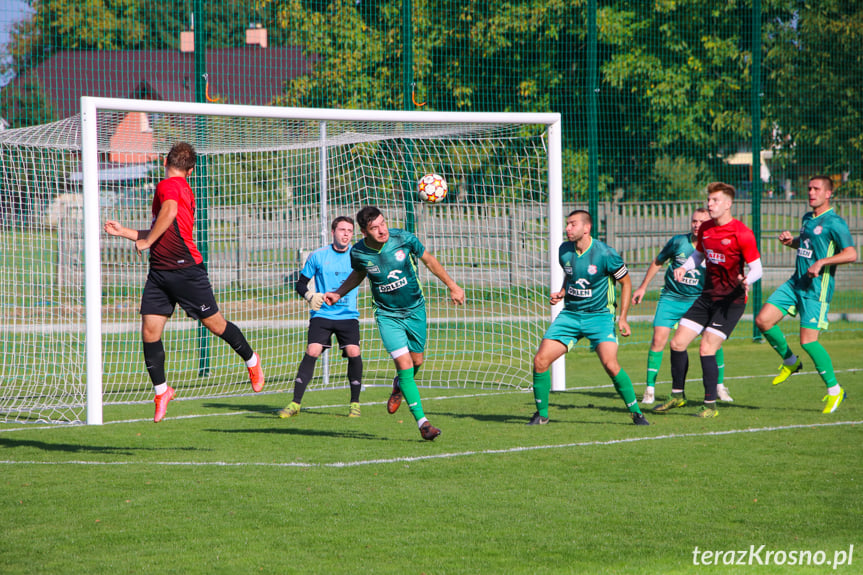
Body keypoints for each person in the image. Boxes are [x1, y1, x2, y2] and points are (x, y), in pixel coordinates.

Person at [104, 142, 263, 422]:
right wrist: (126, 233)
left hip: (186, 270)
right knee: (150, 331)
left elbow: (169, 214)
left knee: (215, 324)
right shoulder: (179, 186)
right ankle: (162, 391)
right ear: (192, 169)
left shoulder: (170, 185)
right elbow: (163, 226)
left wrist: (146, 240)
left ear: (167, 161)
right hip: (160, 272)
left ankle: (252, 360)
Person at [323, 206, 465, 441]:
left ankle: (398, 386)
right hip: (387, 315)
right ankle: (423, 423)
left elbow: (429, 260)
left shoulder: (404, 239)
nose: (382, 230)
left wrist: (453, 286)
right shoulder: (358, 252)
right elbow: (359, 274)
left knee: (417, 361)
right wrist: (338, 293)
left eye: (383, 223)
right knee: (405, 364)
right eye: (374, 227)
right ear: (364, 231)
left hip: (416, 310)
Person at [528, 209, 649, 426]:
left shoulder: (605, 253)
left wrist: (622, 318)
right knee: (540, 361)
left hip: (600, 317)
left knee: (610, 365)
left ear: (587, 228)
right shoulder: (564, 250)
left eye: (572, 224)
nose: (567, 228)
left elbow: (626, 283)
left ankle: (637, 414)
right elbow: (572, 274)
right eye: (567, 224)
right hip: (570, 316)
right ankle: (542, 415)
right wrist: (563, 292)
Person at [654, 182, 762, 418]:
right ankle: (677, 396)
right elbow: (699, 254)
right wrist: (684, 267)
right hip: (706, 297)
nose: (709, 204)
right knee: (677, 343)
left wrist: (748, 280)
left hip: (730, 302)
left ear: (728, 204)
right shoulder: (707, 229)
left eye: (714, 200)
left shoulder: (742, 232)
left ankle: (710, 405)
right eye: (709, 200)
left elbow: (757, 268)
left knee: (706, 348)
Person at [754, 176, 857, 413]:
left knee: (808, 341)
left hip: (816, 290)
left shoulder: (835, 222)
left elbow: (851, 254)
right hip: (795, 283)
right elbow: (808, 243)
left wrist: (822, 262)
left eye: (816, 189)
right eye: (809, 188)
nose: (810, 192)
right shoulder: (807, 218)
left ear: (828, 193)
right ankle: (790, 361)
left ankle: (834, 390)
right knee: (763, 320)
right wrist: (792, 242)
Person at [632, 208, 732, 404]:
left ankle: (719, 386)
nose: (697, 225)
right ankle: (649, 390)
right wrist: (643, 287)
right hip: (671, 298)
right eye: (694, 221)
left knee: (711, 341)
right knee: (658, 340)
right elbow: (658, 261)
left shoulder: (714, 246)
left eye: (702, 222)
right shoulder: (678, 242)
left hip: (699, 300)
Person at [278, 216, 365, 419]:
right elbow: (300, 283)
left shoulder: (358, 256)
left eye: (350, 231)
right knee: (313, 349)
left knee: (353, 351)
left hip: (347, 315)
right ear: (333, 232)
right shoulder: (318, 256)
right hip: (323, 314)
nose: (346, 234)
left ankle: (355, 404)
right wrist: (309, 295)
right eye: (342, 230)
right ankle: (295, 403)